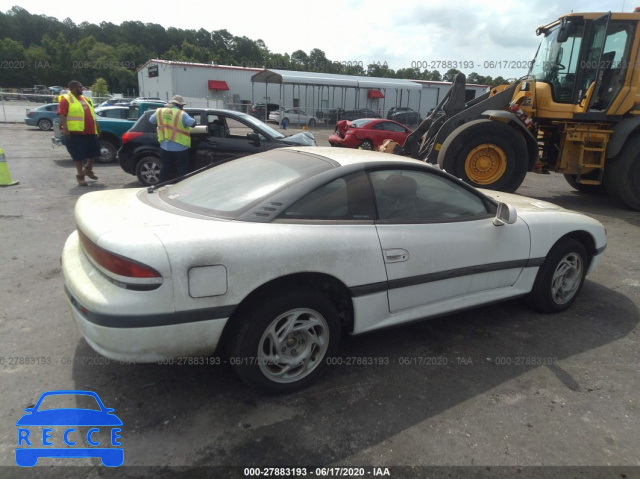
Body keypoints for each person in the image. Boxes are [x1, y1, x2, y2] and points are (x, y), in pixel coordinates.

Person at [57, 80, 100, 186]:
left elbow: (92, 114)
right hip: (75, 132)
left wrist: (97, 126)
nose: (82, 89)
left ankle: (88, 169)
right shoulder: (66, 99)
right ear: (73, 88)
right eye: (80, 87)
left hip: (90, 130)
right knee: (78, 155)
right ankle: (80, 176)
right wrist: (65, 129)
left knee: (94, 152)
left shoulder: (86, 99)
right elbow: (62, 115)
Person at [149, 95, 196, 183]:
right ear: (180, 105)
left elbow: (151, 120)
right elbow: (192, 124)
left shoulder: (160, 111)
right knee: (181, 171)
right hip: (180, 148)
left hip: (165, 147)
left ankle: (161, 187)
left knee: (165, 168)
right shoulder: (181, 113)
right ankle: (181, 188)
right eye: (182, 105)